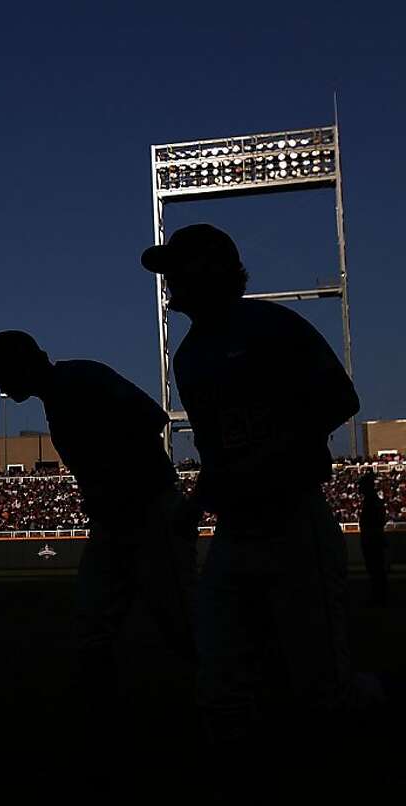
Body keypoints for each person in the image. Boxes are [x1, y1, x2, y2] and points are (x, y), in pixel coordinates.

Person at [142, 223, 371, 779]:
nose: (169, 281)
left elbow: (342, 398)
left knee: (316, 674)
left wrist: (272, 453)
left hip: (292, 516)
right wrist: (199, 503)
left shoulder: (271, 325)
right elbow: (221, 453)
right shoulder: (190, 356)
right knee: (222, 665)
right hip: (236, 527)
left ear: (211, 270)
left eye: (178, 268)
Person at [0, 330, 197, 721]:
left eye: (3, 375)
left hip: (149, 513)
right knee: (93, 622)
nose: (4, 387)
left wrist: (112, 470)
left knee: (181, 621)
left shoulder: (80, 379)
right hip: (114, 521)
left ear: (22, 366)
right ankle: (101, 719)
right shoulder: (60, 392)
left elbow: (152, 416)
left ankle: (229, 707)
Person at [359, 473, 388, 606]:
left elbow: (378, 521)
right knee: (376, 570)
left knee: (376, 569)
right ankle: (379, 595)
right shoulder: (373, 500)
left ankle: (379, 597)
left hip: (372, 539)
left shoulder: (372, 501)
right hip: (372, 538)